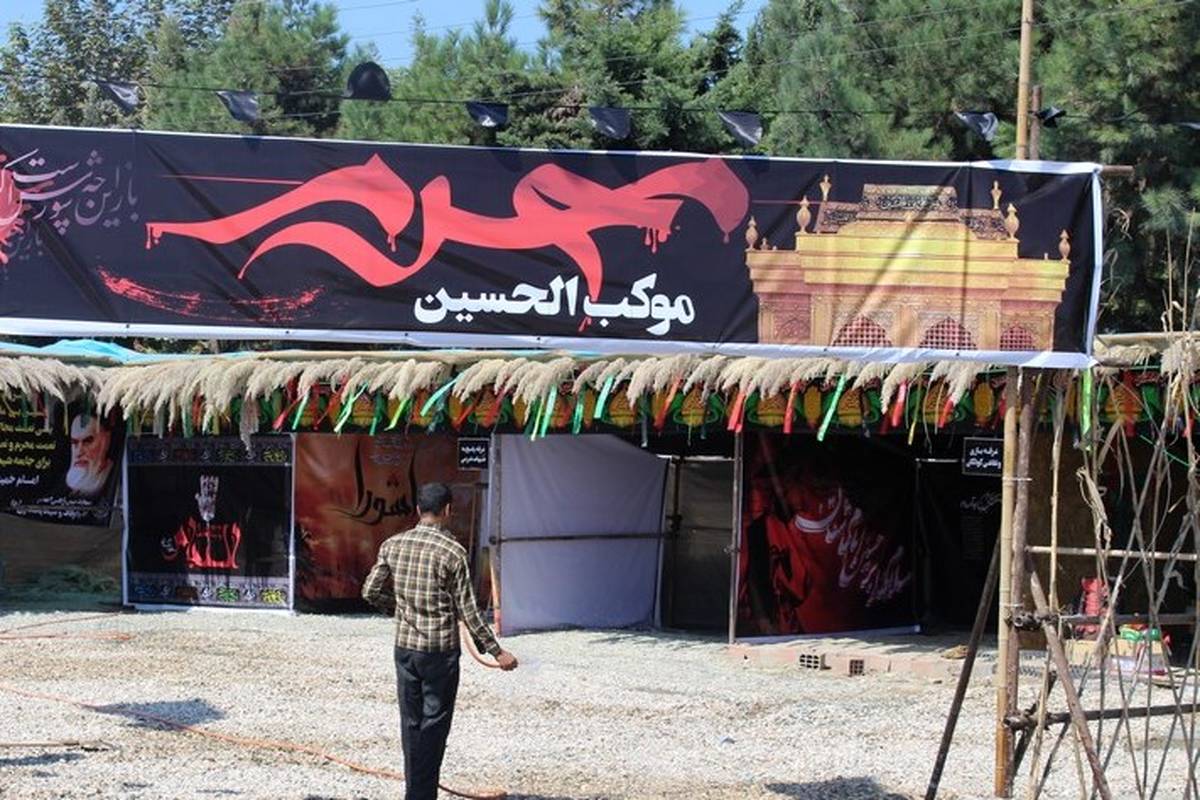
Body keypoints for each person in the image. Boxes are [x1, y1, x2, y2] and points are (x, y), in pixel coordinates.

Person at [362, 482, 517, 800]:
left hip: (405, 649)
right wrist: (497, 652)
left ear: (419, 510)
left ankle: (415, 792)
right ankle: (421, 795)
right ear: (447, 510)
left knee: (411, 723)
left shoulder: (393, 545)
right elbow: (469, 611)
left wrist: (398, 609)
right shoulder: (453, 552)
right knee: (434, 724)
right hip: (439, 652)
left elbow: (370, 591)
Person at [66, 413, 114, 498]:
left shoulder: (116, 478)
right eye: (74, 442)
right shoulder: (58, 487)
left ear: (106, 441)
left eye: (87, 441)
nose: (79, 452)